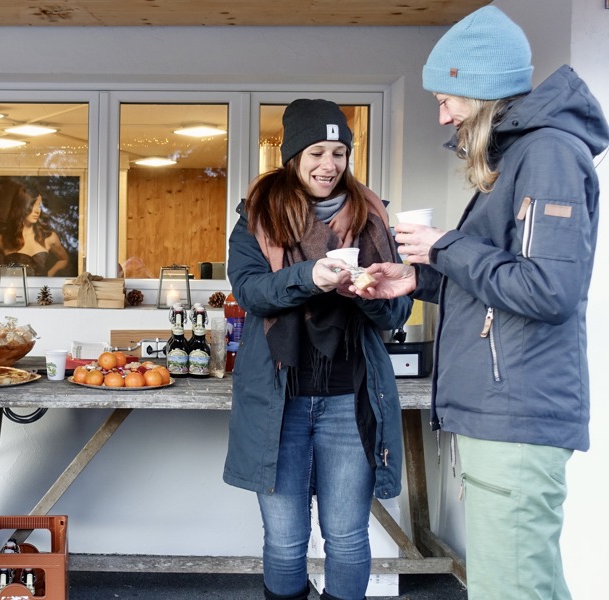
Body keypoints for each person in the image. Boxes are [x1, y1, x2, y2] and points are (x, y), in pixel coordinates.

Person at [355, 7, 607, 599]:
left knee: (512, 590)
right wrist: (419, 279)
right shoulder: (522, 155)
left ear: (487, 91)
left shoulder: (547, 154)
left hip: (515, 414)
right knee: (524, 585)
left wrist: (447, 245)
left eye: (450, 98)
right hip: (502, 413)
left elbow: (548, 289)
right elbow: (504, 286)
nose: (442, 114)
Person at [223, 99, 412, 600]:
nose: (329, 165)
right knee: (285, 542)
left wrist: (369, 294)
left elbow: (397, 316)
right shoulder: (256, 217)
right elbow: (250, 292)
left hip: (349, 401)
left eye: (339, 153)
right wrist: (310, 276)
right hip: (278, 404)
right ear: (292, 157)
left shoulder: (373, 218)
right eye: (316, 152)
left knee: (347, 538)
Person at [0, 178, 71, 276]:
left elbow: (64, 259)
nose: (37, 211)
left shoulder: (49, 237)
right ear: (21, 206)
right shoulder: (1, 240)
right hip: (14, 290)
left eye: (39, 206)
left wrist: (49, 274)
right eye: (32, 205)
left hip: (42, 291)